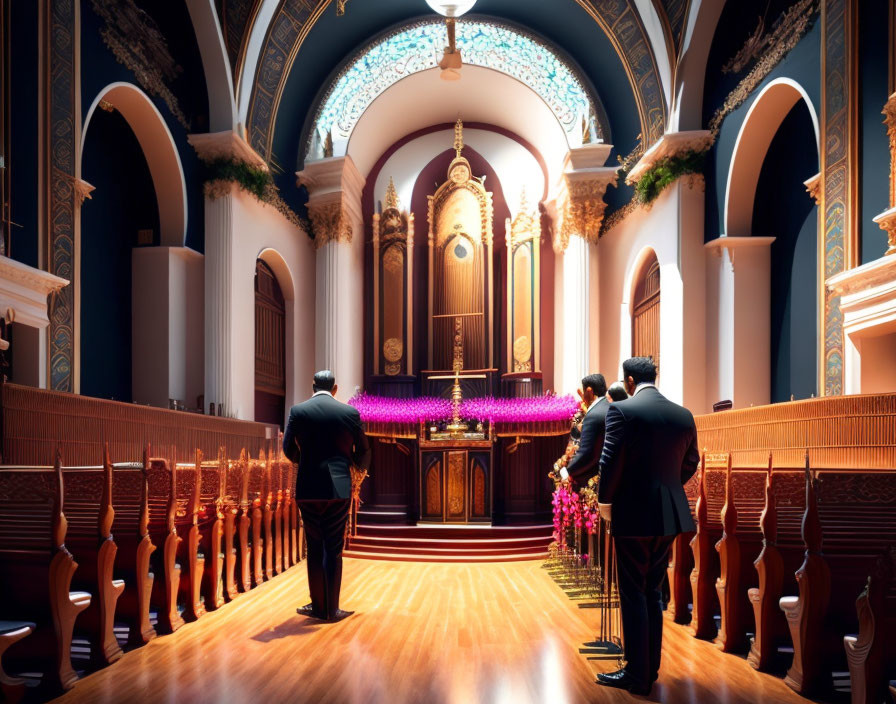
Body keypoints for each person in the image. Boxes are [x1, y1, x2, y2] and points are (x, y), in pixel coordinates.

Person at [595, 357, 699, 695]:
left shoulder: (622, 411)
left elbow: (609, 463)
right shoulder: (683, 415)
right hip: (669, 515)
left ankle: (636, 675)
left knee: (632, 591)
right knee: (652, 591)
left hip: (633, 513)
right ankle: (649, 668)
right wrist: (668, 487)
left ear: (628, 381)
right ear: (655, 377)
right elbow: (691, 461)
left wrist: (605, 501)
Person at [282, 370, 371, 622]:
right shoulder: (349, 413)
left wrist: (307, 462)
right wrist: (355, 470)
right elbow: (364, 450)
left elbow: (288, 448)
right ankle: (332, 609)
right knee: (333, 548)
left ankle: (318, 606)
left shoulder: (298, 411)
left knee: (313, 546)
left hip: (308, 487)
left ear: (313, 387)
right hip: (338, 487)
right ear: (335, 388)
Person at [558, 373, 609, 486]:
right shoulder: (610, 406)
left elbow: (586, 451)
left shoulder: (594, 414)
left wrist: (568, 470)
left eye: (583, 390)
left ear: (589, 390)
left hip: (594, 476)